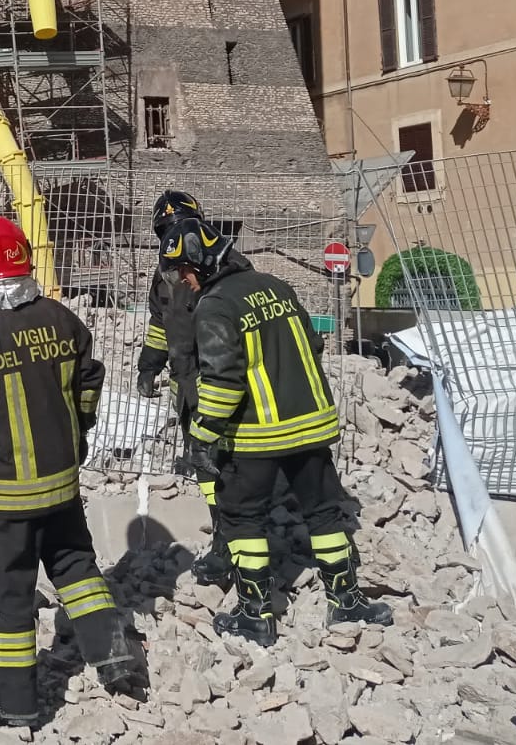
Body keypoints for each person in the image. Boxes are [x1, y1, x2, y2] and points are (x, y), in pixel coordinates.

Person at [0, 214, 133, 727]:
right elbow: (89, 383)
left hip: (7, 500)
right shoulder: (61, 319)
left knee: (9, 594)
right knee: (77, 569)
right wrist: (77, 430)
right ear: (24, 256)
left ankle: (15, 703)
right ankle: (117, 656)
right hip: (61, 486)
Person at [159, 216, 393, 647]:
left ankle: (255, 613)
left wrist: (205, 434)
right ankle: (347, 599)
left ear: (201, 263)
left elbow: (223, 379)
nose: (183, 280)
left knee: (242, 518)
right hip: (312, 424)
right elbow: (314, 345)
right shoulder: (275, 286)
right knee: (324, 512)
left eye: (183, 270)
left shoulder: (215, 306)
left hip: (256, 436)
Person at [134, 189, 237, 586]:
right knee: (204, 463)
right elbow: (160, 327)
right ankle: (224, 535)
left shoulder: (221, 268)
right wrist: (149, 366)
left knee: (230, 460)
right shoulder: (164, 280)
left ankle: (238, 535)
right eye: (165, 230)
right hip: (187, 381)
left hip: (223, 379)